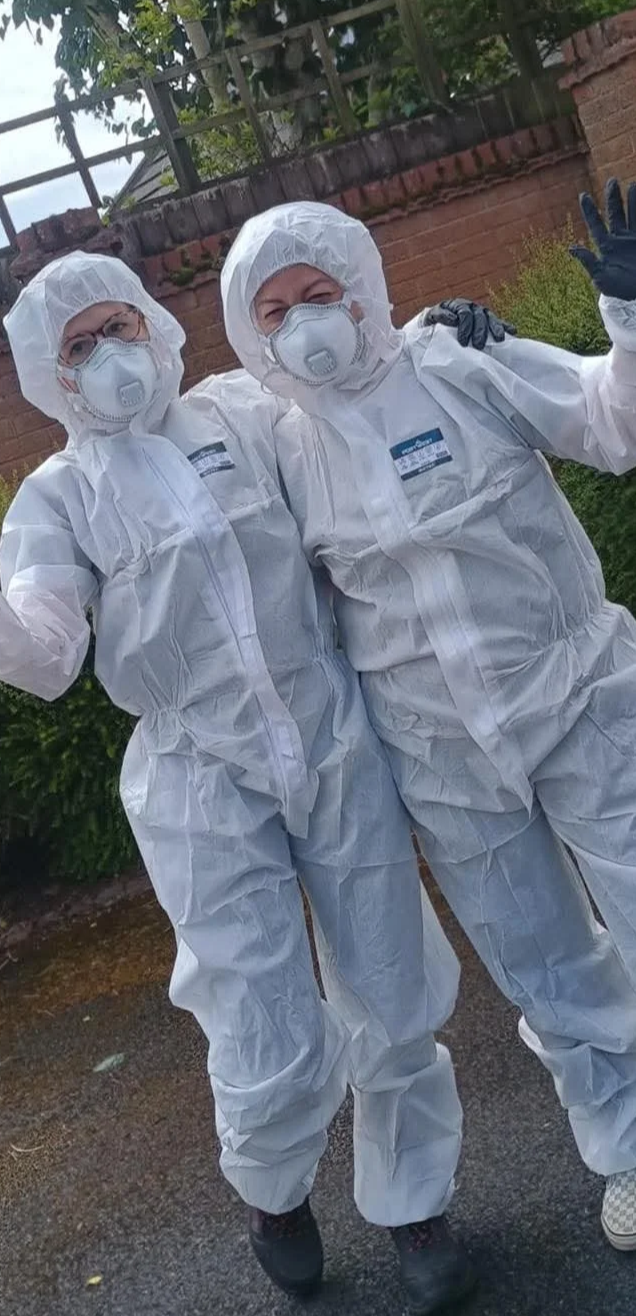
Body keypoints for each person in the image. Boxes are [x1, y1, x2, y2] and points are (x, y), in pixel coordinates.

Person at [0, 252, 504, 1315]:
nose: (108, 359)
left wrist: (430, 340)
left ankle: (415, 1203)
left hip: (328, 734)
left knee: (389, 975)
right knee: (256, 1008)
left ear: (154, 324)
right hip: (198, 773)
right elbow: (44, 654)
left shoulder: (241, 414)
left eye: (117, 328)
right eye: (79, 348)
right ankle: (276, 1193)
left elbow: (347, 404)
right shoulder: (59, 499)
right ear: (51, 376)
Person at [219, 178, 636, 1254]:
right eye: (277, 312)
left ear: (361, 288)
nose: (305, 323)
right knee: (546, 963)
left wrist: (629, 319)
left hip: (579, 692)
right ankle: (629, 1151)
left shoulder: (457, 362)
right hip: (442, 756)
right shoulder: (278, 452)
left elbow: (609, 421)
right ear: (251, 333)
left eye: (321, 293)